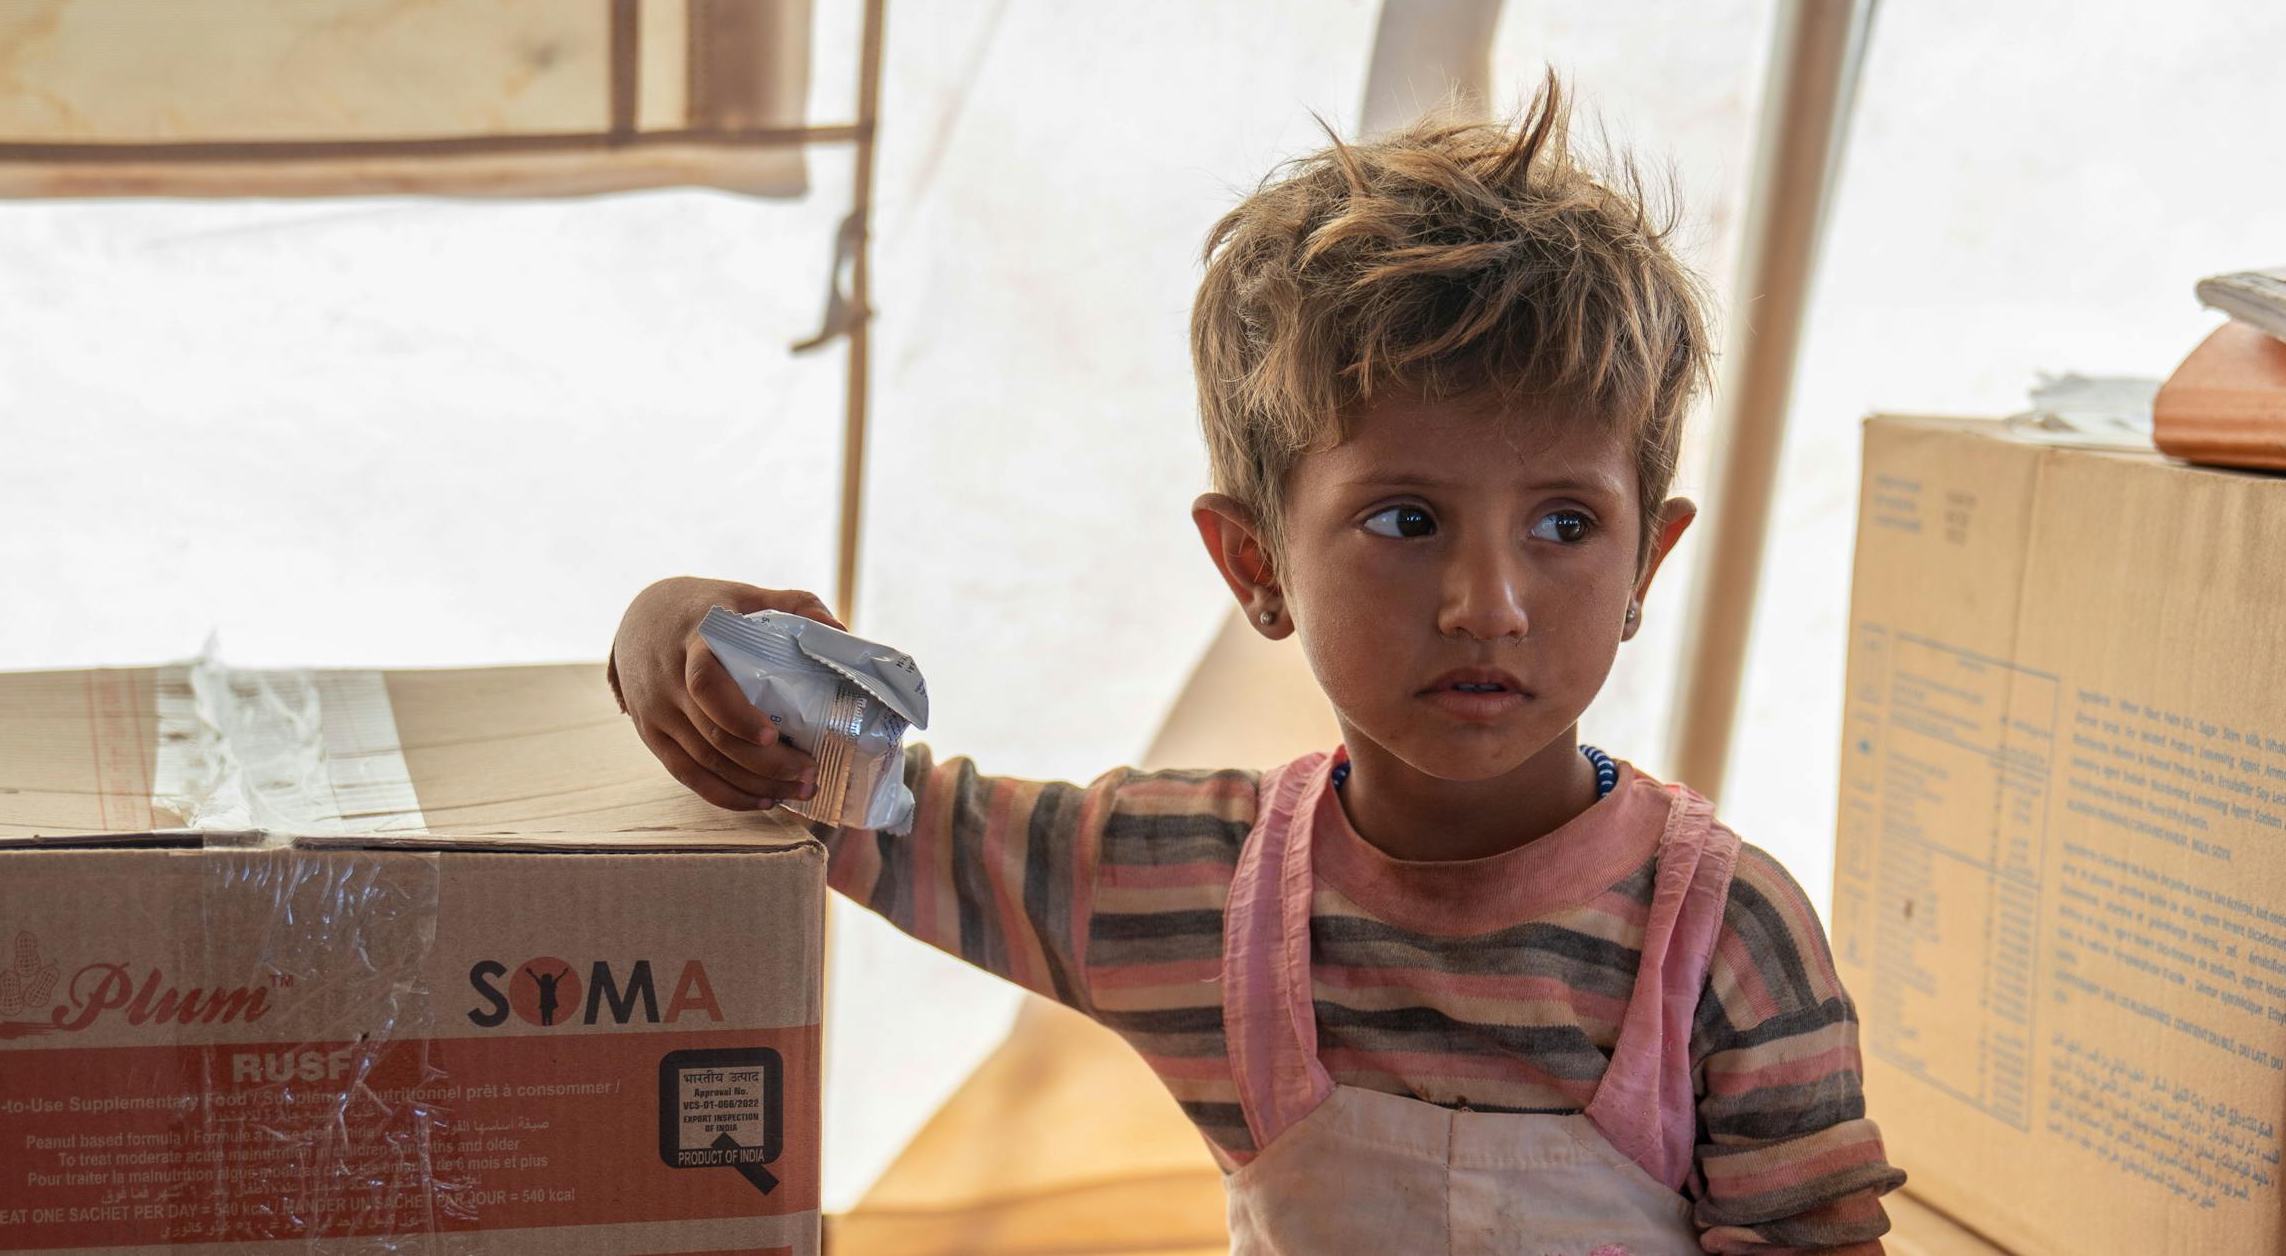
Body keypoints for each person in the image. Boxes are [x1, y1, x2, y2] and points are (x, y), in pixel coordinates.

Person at [606, 84, 1901, 1253]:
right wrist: (673, 629)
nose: (1489, 605)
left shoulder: (1727, 939)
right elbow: (858, 806)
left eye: (1566, 525)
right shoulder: (1184, 890)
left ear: (1646, 565)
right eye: (1407, 519)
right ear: (1255, 564)